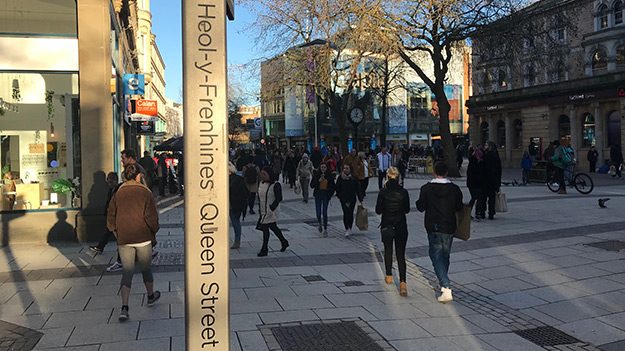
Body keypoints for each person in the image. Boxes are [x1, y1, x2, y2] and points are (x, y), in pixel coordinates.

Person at [107, 164, 160, 321]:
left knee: (127, 272)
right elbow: (151, 217)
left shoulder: (118, 192)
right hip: (142, 237)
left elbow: (111, 215)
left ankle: (124, 307)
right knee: (145, 268)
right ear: (138, 176)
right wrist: (154, 230)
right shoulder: (145, 192)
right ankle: (150, 296)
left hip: (124, 238)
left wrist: (116, 232)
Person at [416, 162, 463, 303]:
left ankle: (446, 285)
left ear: (434, 172)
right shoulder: (454, 189)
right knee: (445, 255)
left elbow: (420, 207)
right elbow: (459, 207)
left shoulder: (426, 188)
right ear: (447, 173)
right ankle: (444, 281)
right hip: (449, 225)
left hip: (434, 225)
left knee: (435, 255)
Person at [375, 167, 410, 296]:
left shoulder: (383, 192)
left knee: (388, 250)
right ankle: (403, 283)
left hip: (387, 224)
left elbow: (378, 210)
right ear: (398, 177)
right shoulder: (404, 192)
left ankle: (389, 275)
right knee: (401, 254)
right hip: (401, 224)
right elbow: (407, 209)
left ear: (387, 177)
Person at [256, 167, 289, 257]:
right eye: (261, 174)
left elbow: (279, 198)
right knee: (273, 227)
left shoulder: (275, 185)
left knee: (265, 229)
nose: (262, 176)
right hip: (263, 210)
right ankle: (284, 241)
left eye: (264, 174)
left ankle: (264, 249)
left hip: (271, 211)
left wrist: (272, 207)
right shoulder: (261, 184)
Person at [335, 164, 363, 237]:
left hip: (352, 198)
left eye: (347, 168)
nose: (345, 170)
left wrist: (360, 199)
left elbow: (358, 189)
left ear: (350, 169)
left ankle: (350, 227)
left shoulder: (354, 178)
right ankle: (346, 228)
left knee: (350, 213)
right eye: (344, 168)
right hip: (343, 198)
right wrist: (339, 196)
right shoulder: (340, 178)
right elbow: (337, 188)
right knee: (345, 213)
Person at [310, 162, 336, 237]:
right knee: (318, 212)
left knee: (324, 211)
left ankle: (325, 228)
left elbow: (332, 186)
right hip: (318, 194)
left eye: (324, 167)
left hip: (325, 195)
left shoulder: (329, 176)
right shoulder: (317, 175)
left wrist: (330, 195)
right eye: (322, 167)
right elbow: (312, 185)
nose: (323, 169)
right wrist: (319, 180)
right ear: (320, 168)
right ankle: (319, 223)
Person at [479, 142, 502, 219]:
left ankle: (482, 212)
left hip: (485, 181)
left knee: (483, 198)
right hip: (493, 181)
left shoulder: (485, 156)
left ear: (490, 147)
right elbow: (499, 171)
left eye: (486, 145)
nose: (484, 146)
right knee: (492, 198)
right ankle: (491, 213)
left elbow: (481, 169)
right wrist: (498, 183)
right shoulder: (496, 156)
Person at [229, 162, 248, 249]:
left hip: (234, 205)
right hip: (232, 204)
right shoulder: (237, 179)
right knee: (235, 222)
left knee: (235, 222)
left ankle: (237, 241)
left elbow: (243, 193)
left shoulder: (236, 179)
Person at [466, 146, 485, 220]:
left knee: (474, 198)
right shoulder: (476, 163)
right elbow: (477, 174)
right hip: (475, 184)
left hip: (472, 184)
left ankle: (471, 213)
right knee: (477, 198)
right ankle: (477, 213)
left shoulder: (473, 162)